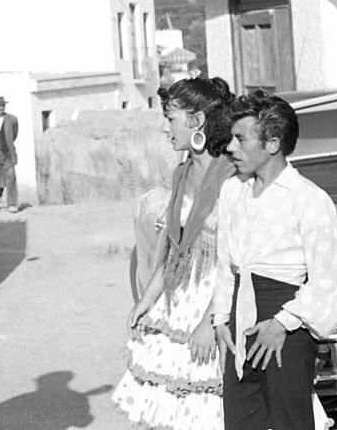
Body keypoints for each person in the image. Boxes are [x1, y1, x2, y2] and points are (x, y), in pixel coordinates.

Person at [212, 90, 337, 430]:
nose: (230, 147)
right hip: (240, 326)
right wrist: (219, 320)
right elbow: (225, 262)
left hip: (286, 328)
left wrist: (283, 323)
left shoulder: (309, 200)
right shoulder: (232, 191)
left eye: (241, 139)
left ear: (272, 144)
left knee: (290, 423)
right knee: (241, 423)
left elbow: (328, 280)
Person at [113, 77, 235, 430]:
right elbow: (172, 246)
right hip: (178, 300)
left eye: (171, 117)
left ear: (197, 121)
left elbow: (237, 262)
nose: (166, 128)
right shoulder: (181, 174)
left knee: (210, 409)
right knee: (173, 412)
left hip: (216, 302)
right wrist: (146, 300)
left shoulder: (231, 177)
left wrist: (211, 322)